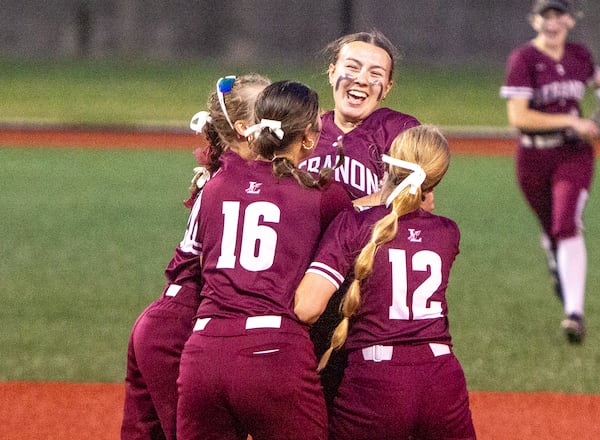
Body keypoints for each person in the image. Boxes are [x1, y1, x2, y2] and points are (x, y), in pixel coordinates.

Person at [176, 80, 352, 440]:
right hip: (273, 354)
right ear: (308, 137)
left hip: (202, 355)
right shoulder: (323, 196)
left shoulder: (217, 186)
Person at [294, 125, 477, 440]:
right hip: (442, 379)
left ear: (387, 162)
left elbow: (307, 307)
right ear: (433, 182)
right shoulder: (448, 233)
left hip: (376, 382)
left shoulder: (354, 223)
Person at [121, 73, 270, 440]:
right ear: (245, 128)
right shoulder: (240, 187)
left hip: (162, 323)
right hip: (181, 329)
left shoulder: (223, 177)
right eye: (270, 112)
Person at [297, 30, 424, 406]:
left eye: (375, 73)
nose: (361, 80)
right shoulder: (303, 129)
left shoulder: (398, 130)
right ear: (332, 70)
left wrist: (341, 213)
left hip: (364, 295)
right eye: (351, 67)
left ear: (386, 87)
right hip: (303, 285)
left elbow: (418, 197)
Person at [499, 0, 600, 344]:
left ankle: (574, 313)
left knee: (566, 224)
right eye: (545, 16)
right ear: (534, 21)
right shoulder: (524, 59)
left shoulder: (579, 55)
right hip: (533, 157)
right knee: (552, 231)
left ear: (569, 20)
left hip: (574, 154)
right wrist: (571, 119)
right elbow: (518, 117)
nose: (552, 23)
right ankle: (556, 261)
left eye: (558, 16)